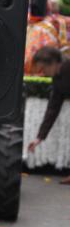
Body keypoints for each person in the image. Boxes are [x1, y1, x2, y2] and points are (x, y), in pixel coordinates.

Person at [27, 46, 70, 183]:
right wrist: (39, 137)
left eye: (43, 68)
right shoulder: (58, 77)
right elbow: (53, 108)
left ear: (53, 63)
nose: (43, 73)